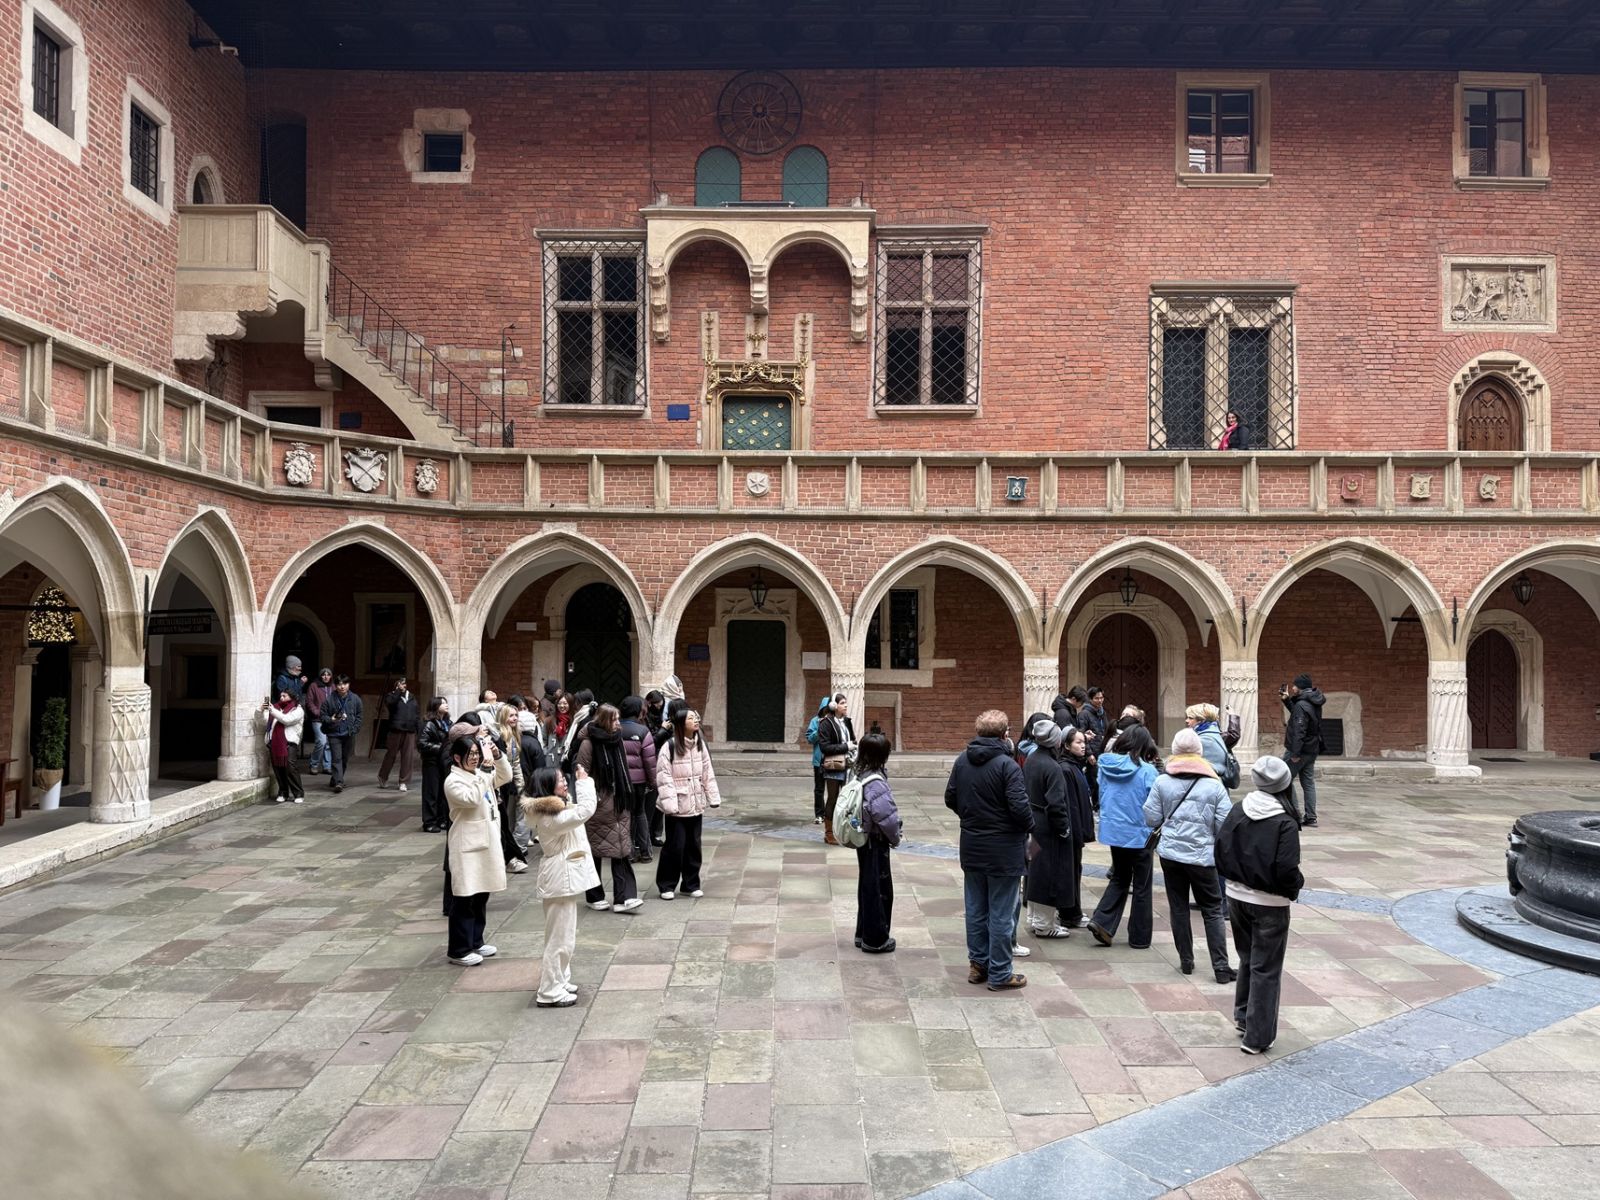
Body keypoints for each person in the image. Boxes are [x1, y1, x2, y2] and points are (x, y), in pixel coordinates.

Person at [1214, 756, 1303, 1054]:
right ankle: (1258, 1036)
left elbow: (1221, 849)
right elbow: (1287, 868)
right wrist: (1294, 888)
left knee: (1248, 959)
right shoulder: (1285, 821)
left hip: (1237, 896)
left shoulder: (1240, 809)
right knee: (1266, 967)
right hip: (1270, 903)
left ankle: (1243, 1017)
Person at [944, 709, 1033, 991]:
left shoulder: (962, 760)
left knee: (975, 909)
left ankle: (978, 965)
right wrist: (1029, 825)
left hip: (972, 845)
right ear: (1005, 734)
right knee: (1002, 913)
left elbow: (951, 798)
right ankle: (1000, 972)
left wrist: (972, 818)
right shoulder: (1008, 766)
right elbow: (1020, 809)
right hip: (1004, 849)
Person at [1146, 728, 1237, 983]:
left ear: (1174, 751)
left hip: (1171, 855)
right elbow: (1225, 825)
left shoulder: (1162, 781)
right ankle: (1221, 966)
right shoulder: (1214, 785)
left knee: (1178, 907)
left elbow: (1151, 817)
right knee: (1212, 910)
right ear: (1199, 751)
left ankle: (1186, 960)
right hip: (1203, 857)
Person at [527, 765, 598, 1007]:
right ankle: (549, 991)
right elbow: (587, 809)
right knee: (559, 939)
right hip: (559, 879)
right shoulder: (551, 817)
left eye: (563, 779)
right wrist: (584, 782)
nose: (565, 783)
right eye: (559, 781)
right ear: (548, 788)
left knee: (565, 937)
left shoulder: (557, 809)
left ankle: (560, 980)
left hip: (562, 878)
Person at [1087, 724, 1160, 949]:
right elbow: (1154, 805)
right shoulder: (1148, 771)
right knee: (1141, 885)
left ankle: (1102, 921)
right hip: (1140, 833)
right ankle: (1139, 938)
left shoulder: (1105, 764)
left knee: (1120, 876)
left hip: (1114, 831)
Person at [443, 735, 508, 966]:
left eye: (476, 753)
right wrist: (484, 771)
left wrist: (497, 757)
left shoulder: (480, 774)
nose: (475, 758)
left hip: (486, 840)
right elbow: (470, 799)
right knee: (464, 897)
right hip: (467, 845)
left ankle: (476, 941)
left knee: (481, 893)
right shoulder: (453, 781)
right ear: (457, 758)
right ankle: (459, 949)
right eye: (470, 754)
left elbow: (505, 776)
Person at [575, 703, 642, 912]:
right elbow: (581, 774)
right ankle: (594, 896)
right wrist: (594, 799)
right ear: (604, 720)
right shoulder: (588, 744)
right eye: (614, 720)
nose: (618, 724)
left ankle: (624, 898)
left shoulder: (617, 740)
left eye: (618, 719)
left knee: (621, 849)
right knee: (595, 852)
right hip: (598, 804)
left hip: (620, 800)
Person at [654, 707, 720, 900]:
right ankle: (666, 885)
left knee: (694, 846)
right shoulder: (670, 746)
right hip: (677, 804)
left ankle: (690, 884)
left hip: (695, 803)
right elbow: (664, 777)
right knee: (675, 846)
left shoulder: (700, 745)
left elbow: (707, 773)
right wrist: (670, 804)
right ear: (682, 724)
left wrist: (713, 797)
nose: (696, 720)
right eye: (691, 718)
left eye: (696, 717)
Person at [1021, 714, 1074, 940]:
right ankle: (1044, 924)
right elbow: (1056, 803)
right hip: (1048, 826)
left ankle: (1034, 918)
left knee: (1035, 871)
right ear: (1055, 741)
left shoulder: (1032, 759)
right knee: (1049, 873)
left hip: (1033, 823)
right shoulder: (1053, 767)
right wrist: (1063, 828)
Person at [853, 732, 902, 954]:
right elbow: (886, 817)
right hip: (876, 841)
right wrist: (895, 837)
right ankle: (875, 939)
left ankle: (862, 933)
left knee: (866, 885)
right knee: (879, 890)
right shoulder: (876, 782)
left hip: (864, 840)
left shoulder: (859, 774)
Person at [1056, 726, 1096, 929]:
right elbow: (1070, 805)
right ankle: (1070, 914)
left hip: (1077, 828)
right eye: (1078, 742)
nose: (1083, 745)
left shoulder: (1074, 766)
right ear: (1066, 745)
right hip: (1072, 830)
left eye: (1084, 741)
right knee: (1070, 871)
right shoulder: (1066, 769)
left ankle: (1072, 912)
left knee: (1075, 870)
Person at [1281, 674, 1325, 827]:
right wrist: (1287, 700)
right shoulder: (1313, 701)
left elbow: (1299, 729)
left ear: (1300, 687)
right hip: (1312, 748)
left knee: (1284, 778)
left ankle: (1295, 815)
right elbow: (1300, 716)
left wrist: (1295, 753)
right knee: (1308, 782)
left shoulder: (1301, 704)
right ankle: (1311, 817)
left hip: (1300, 749)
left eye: (1294, 686)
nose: (1292, 688)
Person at [619, 696, 658, 863]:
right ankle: (645, 852)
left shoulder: (614, 729)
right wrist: (652, 781)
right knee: (640, 813)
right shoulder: (643, 732)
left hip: (620, 781)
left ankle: (628, 853)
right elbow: (650, 761)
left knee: (624, 815)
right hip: (639, 782)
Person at [493, 704, 529, 873]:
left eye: (516, 715)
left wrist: (521, 786)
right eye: (511, 716)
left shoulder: (514, 735)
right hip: (499, 783)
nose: (514, 718)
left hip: (508, 783)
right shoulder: (499, 735)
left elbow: (515, 764)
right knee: (502, 820)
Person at [818, 693, 857, 847]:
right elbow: (825, 747)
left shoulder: (847, 722)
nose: (845, 705)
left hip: (848, 765)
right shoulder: (826, 723)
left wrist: (853, 746)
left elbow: (852, 738)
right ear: (834, 706)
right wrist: (845, 746)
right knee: (833, 799)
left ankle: (844, 830)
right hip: (834, 766)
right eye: (842, 703)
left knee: (848, 800)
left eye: (846, 703)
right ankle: (829, 833)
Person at [261, 689, 305, 804]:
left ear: (292, 697)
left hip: (289, 742)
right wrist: (260, 710)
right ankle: (283, 792)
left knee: (290, 767)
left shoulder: (298, 710)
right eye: (280, 696)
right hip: (274, 742)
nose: (281, 698)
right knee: (278, 768)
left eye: (284, 696)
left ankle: (298, 793)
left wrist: (272, 710)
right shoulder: (276, 708)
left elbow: (286, 720)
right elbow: (263, 721)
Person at [320, 675, 363, 793]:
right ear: (336, 685)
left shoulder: (355, 699)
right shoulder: (329, 699)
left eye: (344, 684)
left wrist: (355, 729)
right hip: (334, 733)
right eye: (339, 684)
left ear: (348, 685)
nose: (342, 686)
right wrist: (331, 720)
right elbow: (322, 715)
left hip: (349, 733)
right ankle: (339, 782)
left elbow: (359, 716)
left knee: (344, 758)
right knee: (336, 758)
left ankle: (335, 778)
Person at [378, 676, 420, 793]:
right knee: (391, 755)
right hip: (395, 730)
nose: (403, 685)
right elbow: (390, 704)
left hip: (410, 731)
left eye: (404, 683)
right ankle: (383, 776)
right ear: (396, 685)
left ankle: (403, 782)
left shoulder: (412, 697)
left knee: (408, 757)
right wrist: (397, 692)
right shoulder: (391, 696)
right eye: (400, 683)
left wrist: (418, 730)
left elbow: (416, 714)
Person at [418, 696, 452, 832]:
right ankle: (429, 822)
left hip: (444, 762)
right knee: (431, 792)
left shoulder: (448, 722)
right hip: (431, 762)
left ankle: (441, 819)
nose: (446, 704)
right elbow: (422, 743)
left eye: (446, 702)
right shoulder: (429, 724)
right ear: (435, 706)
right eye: (442, 703)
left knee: (443, 792)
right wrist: (442, 748)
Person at [1076, 686, 1107, 805]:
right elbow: (1081, 734)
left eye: (1101, 698)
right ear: (1090, 699)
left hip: (1102, 751)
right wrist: (1089, 754)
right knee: (1093, 779)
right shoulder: (1084, 714)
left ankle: (1098, 803)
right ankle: (1094, 804)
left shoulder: (1102, 712)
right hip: (1092, 752)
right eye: (1096, 698)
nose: (1100, 700)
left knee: (1100, 778)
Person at [1186, 703, 1230, 780]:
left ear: (1201, 720)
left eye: (1190, 718)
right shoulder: (1211, 733)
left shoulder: (1205, 739)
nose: (1187, 720)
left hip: (1208, 786)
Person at [805, 695, 830, 826]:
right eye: (826, 709)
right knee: (819, 789)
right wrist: (820, 728)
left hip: (833, 760)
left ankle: (831, 815)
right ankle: (819, 814)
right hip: (819, 761)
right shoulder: (815, 721)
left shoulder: (836, 721)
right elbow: (810, 739)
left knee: (834, 790)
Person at [304, 667, 332, 774]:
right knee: (321, 741)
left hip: (330, 719)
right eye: (324, 674)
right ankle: (314, 764)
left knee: (329, 743)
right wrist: (317, 712)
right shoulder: (314, 686)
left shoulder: (333, 686)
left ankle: (327, 766)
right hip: (318, 719)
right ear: (320, 676)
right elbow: (309, 701)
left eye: (328, 674)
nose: (326, 677)